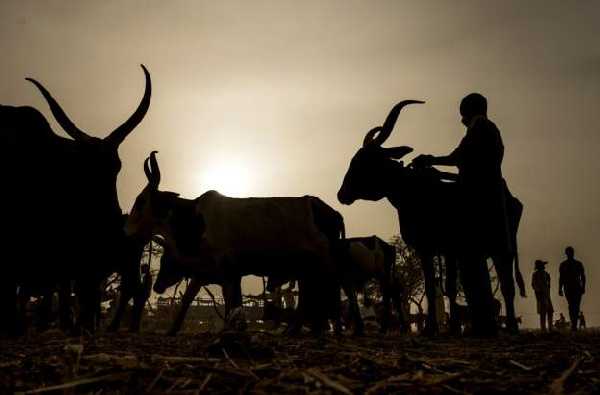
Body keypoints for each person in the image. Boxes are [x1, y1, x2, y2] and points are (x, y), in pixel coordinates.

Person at [413, 93, 505, 337]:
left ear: (469, 111)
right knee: (473, 266)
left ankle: (484, 325)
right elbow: (464, 165)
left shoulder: (480, 128)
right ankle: (483, 323)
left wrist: (430, 160)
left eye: (463, 114)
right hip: (483, 196)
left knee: (471, 264)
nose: (461, 120)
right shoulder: (488, 130)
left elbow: (458, 159)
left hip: (476, 201)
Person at [558, 246, 586, 331]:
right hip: (569, 287)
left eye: (571, 252)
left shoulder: (578, 264)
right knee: (572, 306)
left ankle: (574, 325)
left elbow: (583, 276)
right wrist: (559, 288)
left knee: (575, 306)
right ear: (566, 253)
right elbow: (561, 277)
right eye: (569, 252)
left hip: (576, 286)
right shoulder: (563, 264)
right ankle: (573, 325)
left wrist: (583, 287)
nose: (570, 254)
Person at [531, 259, 554, 331]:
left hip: (547, 295)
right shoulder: (535, 274)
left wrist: (548, 285)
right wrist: (538, 289)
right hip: (540, 296)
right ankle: (543, 328)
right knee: (542, 312)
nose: (544, 266)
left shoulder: (546, 274)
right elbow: (533, 285)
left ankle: (551, 328)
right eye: (542, 265)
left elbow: (549, 281)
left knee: (550, 311)